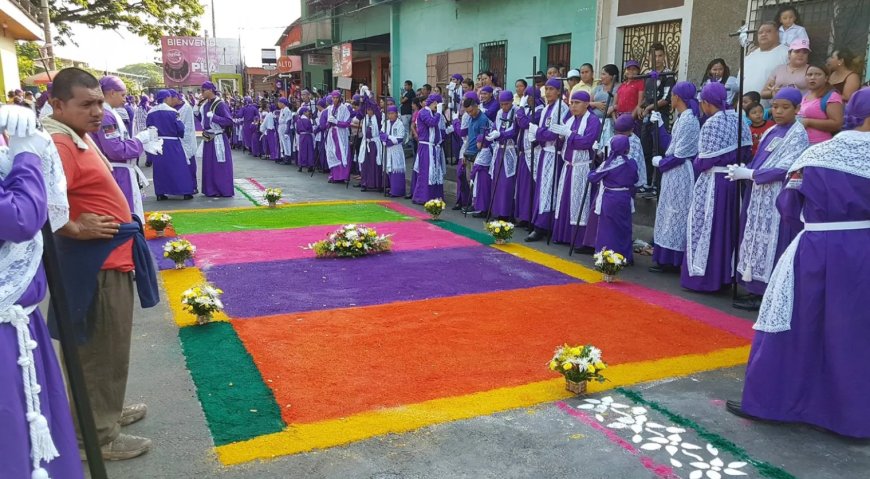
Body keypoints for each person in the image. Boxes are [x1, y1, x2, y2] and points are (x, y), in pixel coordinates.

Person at [727, 87, 870, 440]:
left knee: (797, 322)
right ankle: (851, 416)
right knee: (851, 330)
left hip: (814, 245)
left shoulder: (815, 153)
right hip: (861, 251)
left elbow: (788, 206)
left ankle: (775, 401)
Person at [44, 67, 159, 460]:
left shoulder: (78, 136)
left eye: (98, 102)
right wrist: (73, 227)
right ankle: (96, 435)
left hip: (110, 256)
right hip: (94, 262)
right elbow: (34, 202)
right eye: (86, 104)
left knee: (110, 345)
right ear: (58, 105)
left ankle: (105, 412)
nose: (97, 111)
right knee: (98, 348)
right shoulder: (58, 143)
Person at [0, 104, 83, 477]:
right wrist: (26, 155)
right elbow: (18, 218)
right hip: (6, 321)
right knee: (15, 431)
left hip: (18, 318)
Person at [727, 87, 809, 311]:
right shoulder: (771, 131)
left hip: (776, 196)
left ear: (797, 109)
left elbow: (785, 167)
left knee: (772, 241)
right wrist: (744, 170)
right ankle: (752, 286)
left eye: (785, 107)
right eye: (774, 107)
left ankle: (766, 293)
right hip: (758, 194)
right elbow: (759, 158)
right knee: (753, 238)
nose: (779, 111)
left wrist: (752, 174)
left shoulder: (797, 134)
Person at [682, 82, 752, 292]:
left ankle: (704, 277)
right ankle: (725, 275)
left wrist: (697, 163)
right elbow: (747, 152)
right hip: (734, 180)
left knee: (707, 229)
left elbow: (704, 161)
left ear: (705, 102)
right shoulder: (739, 119)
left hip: (713, 182)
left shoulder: (713, 123)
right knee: (727, 228)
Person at [649, 82, 700, 272]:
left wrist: (660, 163)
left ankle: (673, 259)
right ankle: (665, 256)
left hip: (680, 172)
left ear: (677, 97)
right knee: (668, 211)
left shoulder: (688, 120)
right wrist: (660, 126)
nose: (670, 99)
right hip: (673, 172)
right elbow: (671, 144)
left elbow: (680, 155)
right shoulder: (682, 118)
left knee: (676, 213)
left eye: (672, 95)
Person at [89, 76, 155, 221]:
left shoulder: (109, 113)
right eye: (123, 95)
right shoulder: (106, 116)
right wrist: (139, 141)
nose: (126, 99)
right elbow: (115, 150)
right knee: (124, 216)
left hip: (119, 170)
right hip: (117, 172)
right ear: (112, 93)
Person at [549, 90, 600, 246]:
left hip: (582, 167)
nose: (573, 106)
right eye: (571, 103)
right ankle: (562, 235)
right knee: (564, 201)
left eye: (577, 103)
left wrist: (569, 135)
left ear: (586, 104)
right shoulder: (570, 120)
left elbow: (586, 143)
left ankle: (578, 239)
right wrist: (559, 137)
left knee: (579, 203)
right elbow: (561, 145)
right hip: (568, 166)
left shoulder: (593, 120)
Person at [526, 78, 569, 242]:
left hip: (554, 153)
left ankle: (543, 226)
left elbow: (555, 133)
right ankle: (539, 222)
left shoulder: (561, 108)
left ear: (559, 91)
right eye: (547, 88)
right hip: (545, 152)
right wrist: (538, 133)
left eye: (552, 89)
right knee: (542, 188)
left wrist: (537, 132)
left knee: (548, 189)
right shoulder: (546, 108)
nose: (548, 92)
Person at [587, 134, 638, 261]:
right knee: (624, 228)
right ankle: (625, 256)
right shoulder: (631, 162)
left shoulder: (609, 164)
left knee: (607, 229)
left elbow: (593, 177)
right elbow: (636, 179)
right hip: (625, 197)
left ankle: (607, 257)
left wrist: (593, 164)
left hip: (610, 198)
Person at [147, 90, 194, 201]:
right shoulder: (172, 111)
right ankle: (185, 191)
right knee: (179, 167)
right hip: (172, 142)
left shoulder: (151, 112)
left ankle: (160, 192)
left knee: (160, 169)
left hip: (158, 143)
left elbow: (149, 129)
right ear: (166, 98)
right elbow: (180, 128)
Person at [484, 90, 519, 219]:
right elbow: (495, 126)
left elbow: (515, 131)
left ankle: (507, 213)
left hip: (510, 150)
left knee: (507, 183)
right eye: (502, 104)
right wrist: (493, 133)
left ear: (511, 102)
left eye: (506, 104)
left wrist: (502, 134)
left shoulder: (516, 112)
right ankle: (497, 211)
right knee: (497, 182)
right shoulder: (499, 112)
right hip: (499, 151)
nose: (504, 107)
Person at [196, 81, 234, 197]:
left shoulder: (220, 104)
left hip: (218, 138)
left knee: (220, 164)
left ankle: (223, 189)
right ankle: (210, 189)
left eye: (204, 90)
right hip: (208, 138)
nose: (201, 93)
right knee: (209, 165)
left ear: (211, 90)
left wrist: (215, 117)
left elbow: (229, 121)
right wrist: (196, 112)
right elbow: (204, 120)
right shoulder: (205, 104)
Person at [741, 22, 790, 108]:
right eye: (760, 32)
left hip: (770, 111)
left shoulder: (787, 53)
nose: (763, 34)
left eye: (768, 31)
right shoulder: (750, 56)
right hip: (744, 112)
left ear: (777, 33)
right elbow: (739, 82)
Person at [514, 86, 543, 227]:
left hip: (534, 152)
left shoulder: (540, 111)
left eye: (528, 96)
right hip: (524, 153)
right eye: (525, 96)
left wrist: (520, 108)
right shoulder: (526, 110)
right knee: (523, 186)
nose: (526, 98)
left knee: (532, 186)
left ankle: (532, 217)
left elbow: (525, 123)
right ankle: (524, 217)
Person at [411, 94, 446, 204]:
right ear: (433, 102)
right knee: (426, 172)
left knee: (435, 172)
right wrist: (439, 112)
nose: (437, 107)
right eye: (437, 104)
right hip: (426, 147)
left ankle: (435, 196)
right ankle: (423, 197)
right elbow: (431, 123)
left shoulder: (432, 113)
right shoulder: (423, 112)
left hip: (434, 148)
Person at [800, 64, 844, 145]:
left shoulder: (832, 96)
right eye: (809, 75)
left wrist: (808, 122)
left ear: (826, 78)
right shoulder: (806, 95)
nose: (812, 77)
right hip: (802, 143)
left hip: (820, 144)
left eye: (818, 74)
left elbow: (837, 124)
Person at [321, 91, 352, 183]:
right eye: (333, 98)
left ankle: (342, 176)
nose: (335, 100)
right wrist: (329, 123)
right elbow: (326, 123)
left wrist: (336, 122)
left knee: (341, 154)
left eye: (336, 98)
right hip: (331, 134)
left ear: (339, 98)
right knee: (332, 153)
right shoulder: (329, 109)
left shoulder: (344, 108)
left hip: (340, 134)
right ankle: (334, 175)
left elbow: (347, 123)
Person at [590, 64, 619, 155]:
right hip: (595, 121)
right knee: (594, 147)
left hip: (608, 122)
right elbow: (587, 103)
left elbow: (620, 104)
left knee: (606, 149)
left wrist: (612, 107)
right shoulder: (597, 88)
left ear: (612, 76)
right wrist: (596, 104)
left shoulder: (618, 88)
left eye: (604, 74)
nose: (601, 77)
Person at [612, 113, 646, 190]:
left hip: (629, 180)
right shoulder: (614, 138)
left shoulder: (635, 142)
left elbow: (632, 165)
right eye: (617, 132)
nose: (619, 135)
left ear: (631, 130)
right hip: (613, 179)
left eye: (622, 133)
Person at [174, 90, 199, 192]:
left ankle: (193, 186)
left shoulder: (186, 108)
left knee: (190, 164)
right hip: (176, 140)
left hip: (186, 139)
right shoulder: (171, 108)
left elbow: (187, 126)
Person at [380, 105, 406, 197]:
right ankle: (390, 188)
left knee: (396, 168)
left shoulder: (400, 124)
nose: (390, 116)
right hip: (387, 150)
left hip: (396, 150)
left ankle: (397, 191)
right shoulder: (386, 123)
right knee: (388, 168)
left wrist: (388, 138)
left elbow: (399, 138)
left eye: (392, 114)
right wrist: (386, 139)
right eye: (389, 114)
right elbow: (381, 134)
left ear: (396, 114)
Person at [357, 97, 383, 192]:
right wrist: (363, 101)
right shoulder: (365, 118)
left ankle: (377, 184)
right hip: (366, 143)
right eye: (368, 110)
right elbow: (359, 113)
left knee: (375, 163)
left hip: (374, 144)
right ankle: (365, 183)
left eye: (371, 110)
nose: (369, 112)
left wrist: (369, 97)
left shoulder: (378, 118)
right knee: (365, 164)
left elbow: (376, 109)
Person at [295, 106, 315, 172]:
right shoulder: (308, 120)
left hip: (301, 136)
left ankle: (300, 165)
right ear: (304, 112)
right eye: (307, 111)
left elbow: (297, 130)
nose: (308, 112)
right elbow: (311, 129)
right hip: (308, 136)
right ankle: (310, 166)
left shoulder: (298, 120)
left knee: (302, 151)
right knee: (309, 151)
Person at [277, 98, 294, 164]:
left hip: (285, 127)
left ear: (282, 103)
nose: (278, 104)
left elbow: (288, 121)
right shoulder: (282, 110)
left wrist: (287, 131)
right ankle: (284, 157)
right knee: (282, 143)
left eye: (279, 102)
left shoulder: (287, 110)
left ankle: (288, 158)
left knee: (287, 143)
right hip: (281, 127)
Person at [400, 80, 414, 145]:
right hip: (404, 113)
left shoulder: (410, 92)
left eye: (406, 85)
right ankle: (406, 141)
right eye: (404, 85)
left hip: (407, 113)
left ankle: (407, 141)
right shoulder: (407, 93)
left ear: (410, 86)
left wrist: (401, 94)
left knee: (406, 129)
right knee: (405, 128)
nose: (405, 87)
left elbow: (402, 101)